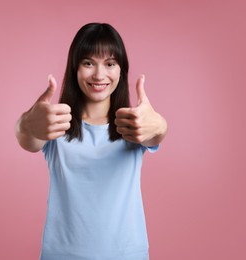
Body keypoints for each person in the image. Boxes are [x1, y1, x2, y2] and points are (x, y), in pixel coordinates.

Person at [15, 23, 167, 260]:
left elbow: (156, 132)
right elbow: (27, 138)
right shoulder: (56, 125)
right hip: (63, 255)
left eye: (110, 64)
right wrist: (25, 123)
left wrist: (158, 125)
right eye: (88, 63)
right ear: (75, 68)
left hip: (127, 254)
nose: (99, 75)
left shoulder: (133, 125)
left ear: (121, 70)